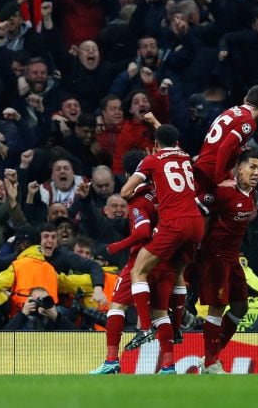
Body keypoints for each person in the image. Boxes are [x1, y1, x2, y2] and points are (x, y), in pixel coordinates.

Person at [120, 122, 204, 374]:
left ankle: (145, 327)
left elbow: (125, 192)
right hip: (197, 224)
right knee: (177, 273)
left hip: (174, 224)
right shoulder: (186, 157)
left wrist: (138, 189)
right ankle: (177, 326)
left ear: (155, 144)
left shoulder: (152, 161)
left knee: (139, 271)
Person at [90, 150, 175, 375]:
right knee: (161, 313)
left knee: (116, 308)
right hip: (167, 260)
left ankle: (111, 361)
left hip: (142, 259)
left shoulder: (137, 200)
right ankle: (168, 366)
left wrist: (115, 247)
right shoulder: (164, 193)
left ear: (130, 174)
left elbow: (143, 231)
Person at [197, 149, 258, 374]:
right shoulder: (224, 192)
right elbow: (199, 210)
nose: (256, 172)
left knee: (240, 307)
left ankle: (210, 356)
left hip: (233, 257)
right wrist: (197, 248)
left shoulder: (252, 194)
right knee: (217, 307)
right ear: (239, 169)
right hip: (215, 256)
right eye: (252, 167)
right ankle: (210, 362)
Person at [193, 86, 258, 213]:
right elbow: (225, 148)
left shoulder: (231, 111)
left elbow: (220, 143)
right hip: (212, 171)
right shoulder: (248, 121)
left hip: (203, 165)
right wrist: (219, 180)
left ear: (245, 99)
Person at [3, 286, 77, 331]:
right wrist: (23, 314)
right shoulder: (23, 318)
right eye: (38, 300)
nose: (42, 303)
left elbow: (77, 336)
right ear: (30, 301)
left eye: (45, 300)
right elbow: (4, 337)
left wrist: (57, 317)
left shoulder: (57, 314)